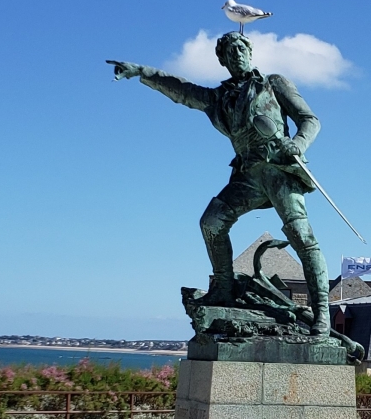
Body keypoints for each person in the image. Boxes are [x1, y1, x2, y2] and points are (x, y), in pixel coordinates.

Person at [107, 32, 330, 336]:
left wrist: (299, 144)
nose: (237, 54)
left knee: (303, 238)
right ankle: (224, 287)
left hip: (278, 170)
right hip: (247, 175)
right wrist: (143, 72)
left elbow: (310, 119)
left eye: (241, 48)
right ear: (223, 60)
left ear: (249, 52)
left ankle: (322, 315)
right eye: (230, 52)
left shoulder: (273, 83)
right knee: (211, 223)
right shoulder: (218, 98)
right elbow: (181, 90)